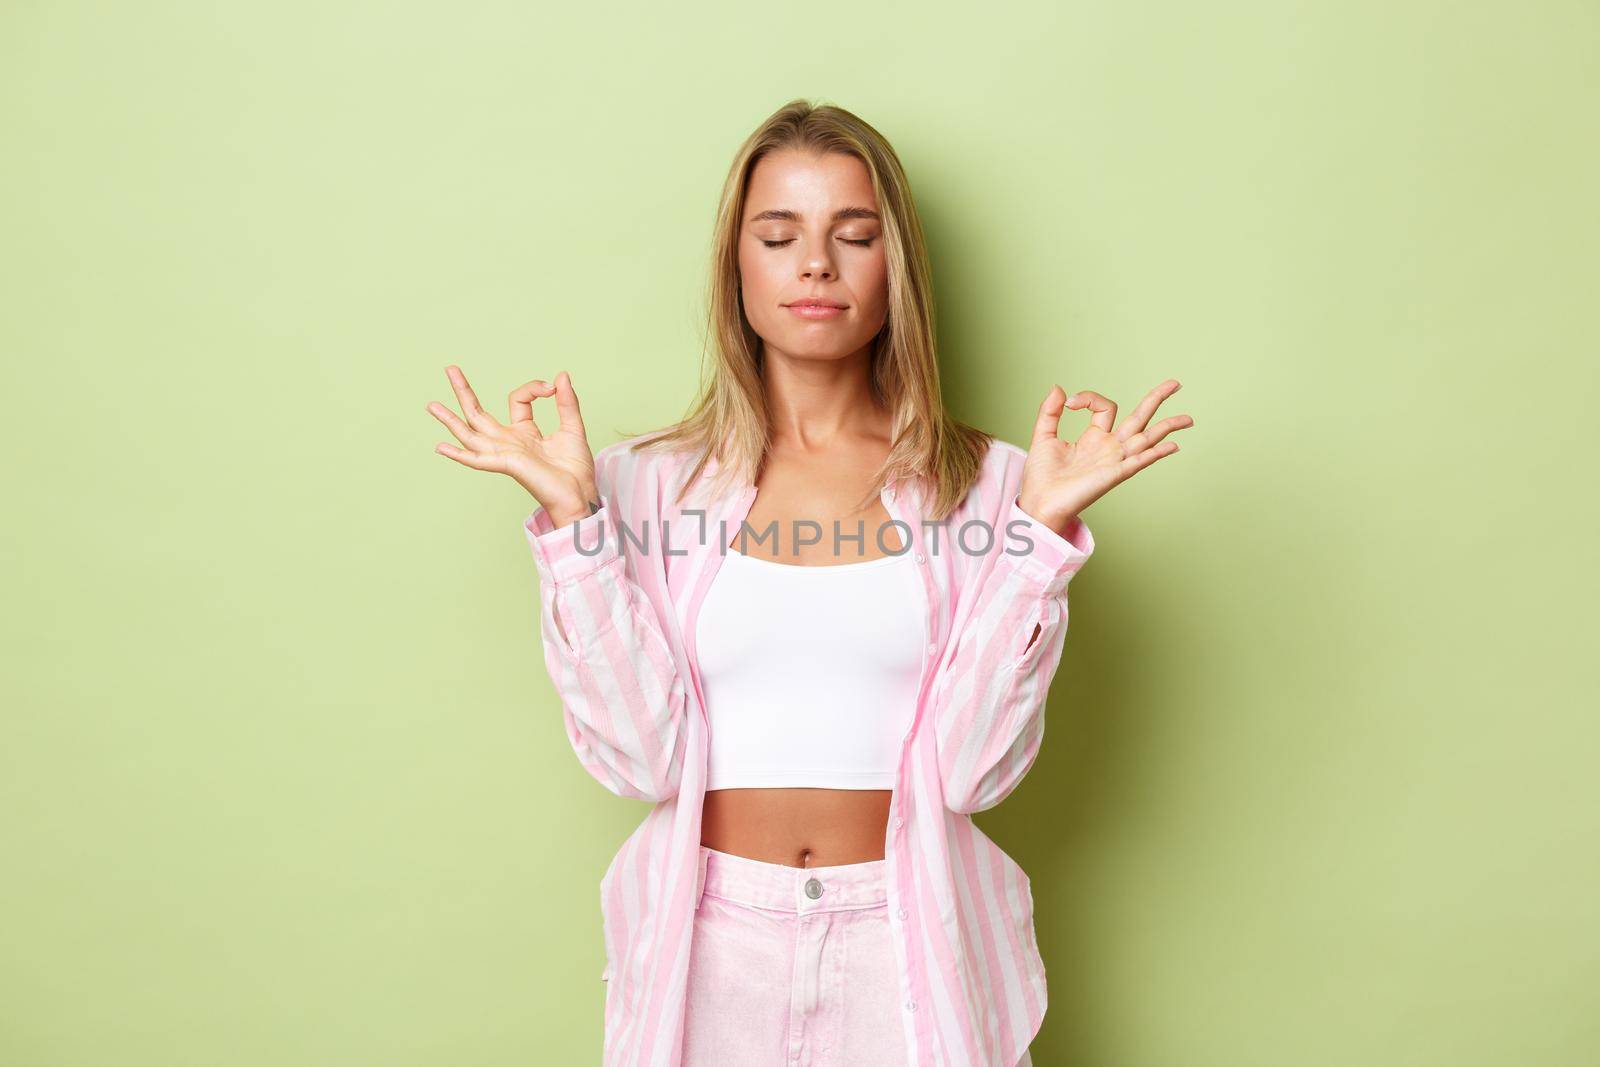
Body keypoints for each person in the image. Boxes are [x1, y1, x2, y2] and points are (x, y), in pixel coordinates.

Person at [427, 98, 1191, 1067]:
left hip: (907, 938)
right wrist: (576, 529)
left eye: (855, 234)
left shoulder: (997, 486)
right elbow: (637, 761)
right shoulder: (639, 483)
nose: (815, 263)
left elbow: (972, 770)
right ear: (736, 265)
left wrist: (1036, 538)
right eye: (778, 234)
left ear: (895, 267)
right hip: (710, 943)